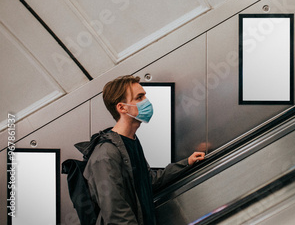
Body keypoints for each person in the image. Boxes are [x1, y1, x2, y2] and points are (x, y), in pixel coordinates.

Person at [83, 75, 205, 225]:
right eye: (140, 97)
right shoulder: (105, 154)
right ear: (122, 107)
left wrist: (187, 163)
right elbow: (116, 215)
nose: (147, 101)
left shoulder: (131, 141)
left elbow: (148, 181)